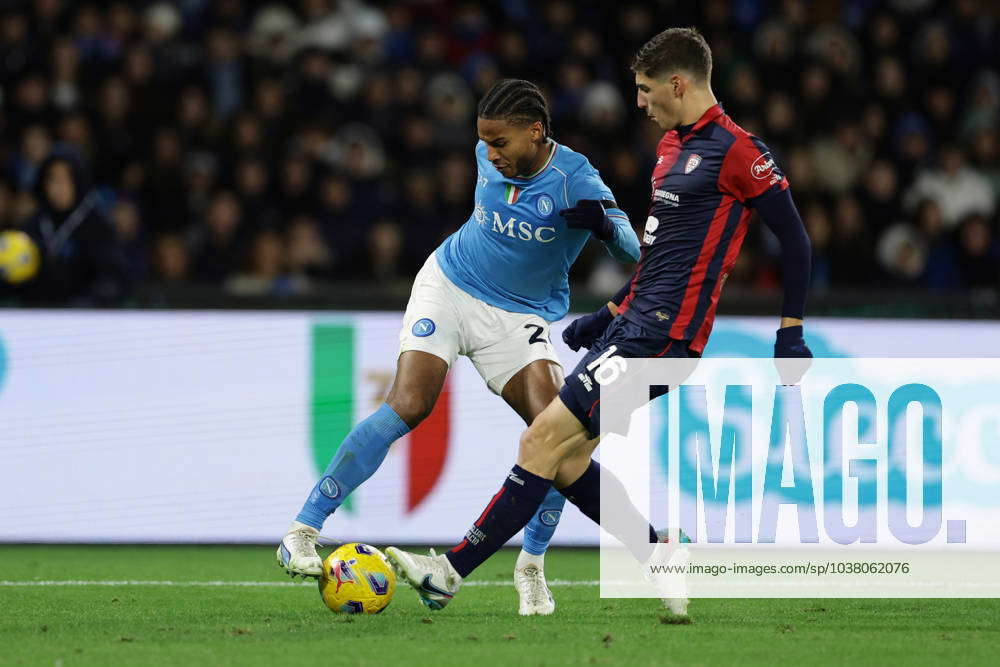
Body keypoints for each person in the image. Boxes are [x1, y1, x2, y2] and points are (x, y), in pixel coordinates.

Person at [384, 27, 813, 617]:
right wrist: (610, 311)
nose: (639, 102)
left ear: (677, 84)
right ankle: (658, 553)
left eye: (644, 89)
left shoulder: (739, 151)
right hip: (634, 327)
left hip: (665, 339)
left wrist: (790, 330)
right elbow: (662, 255)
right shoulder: (668, 149)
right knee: (567, 460)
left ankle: (450, 572)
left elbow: (795, 240)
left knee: (541, 439)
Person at [277, 79, 640, 616]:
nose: (490, 155)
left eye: (501, 144)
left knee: (558, 438)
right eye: (485, 143)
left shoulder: (577, 180)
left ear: (536, 132)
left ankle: (532, 567)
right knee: (409, 403)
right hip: (448, 285)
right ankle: (303, 531)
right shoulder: (487, 153)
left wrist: (606, 226)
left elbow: (636, 249)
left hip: (519, 319)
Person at [3, 150, 127, 306]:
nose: (59, 187)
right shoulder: (34, 224)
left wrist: (87, 304)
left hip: (84, 320)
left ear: (78, 181)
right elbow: (16, 281)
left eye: (66, 179)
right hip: (34, 318)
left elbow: (114, 279)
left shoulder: (97, 226)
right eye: (52, 180)